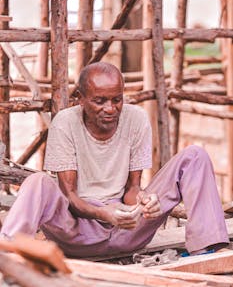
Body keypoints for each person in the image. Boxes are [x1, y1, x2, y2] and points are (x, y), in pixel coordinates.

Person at [1, 62, 229, 258]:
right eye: (99, 101)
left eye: (116, 100)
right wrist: (104, 213)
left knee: (194, 156)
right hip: (77, 235)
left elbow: (132, 189)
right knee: (37, 182)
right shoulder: (65, 123)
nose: (110, 109)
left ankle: (207, 248)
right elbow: (69, 196)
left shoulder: (136, 119)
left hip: (127, 232)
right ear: (80, 99)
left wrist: (143, 202)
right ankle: (8, 255)